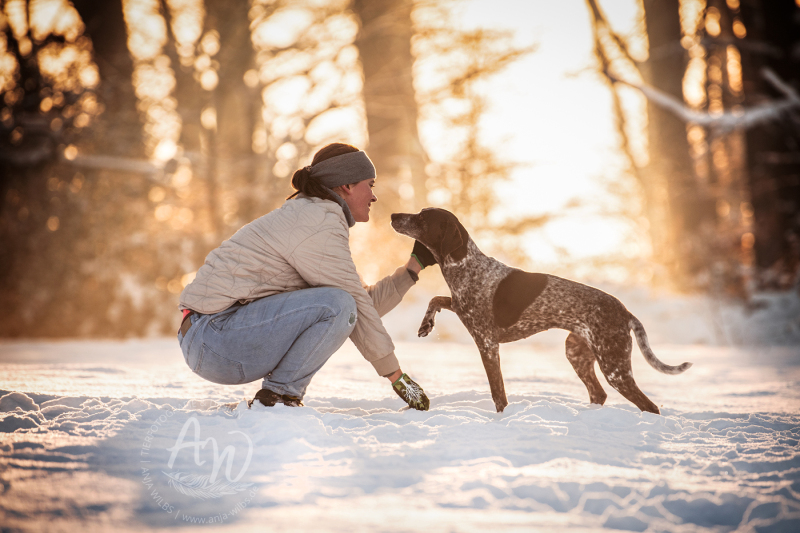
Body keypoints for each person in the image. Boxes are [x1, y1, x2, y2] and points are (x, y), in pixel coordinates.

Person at [177, 143, 436, 410]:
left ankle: (279, 396)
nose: (374, 196)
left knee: (342, 304)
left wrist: (414, 266)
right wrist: (397, 378)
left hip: (213, 338)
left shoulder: (316, 218)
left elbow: (358, 309)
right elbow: (349, 305)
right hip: (215, 338)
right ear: (346, 184)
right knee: (339, 303)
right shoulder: (316, 222)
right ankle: (279, 397)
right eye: (370, 184)